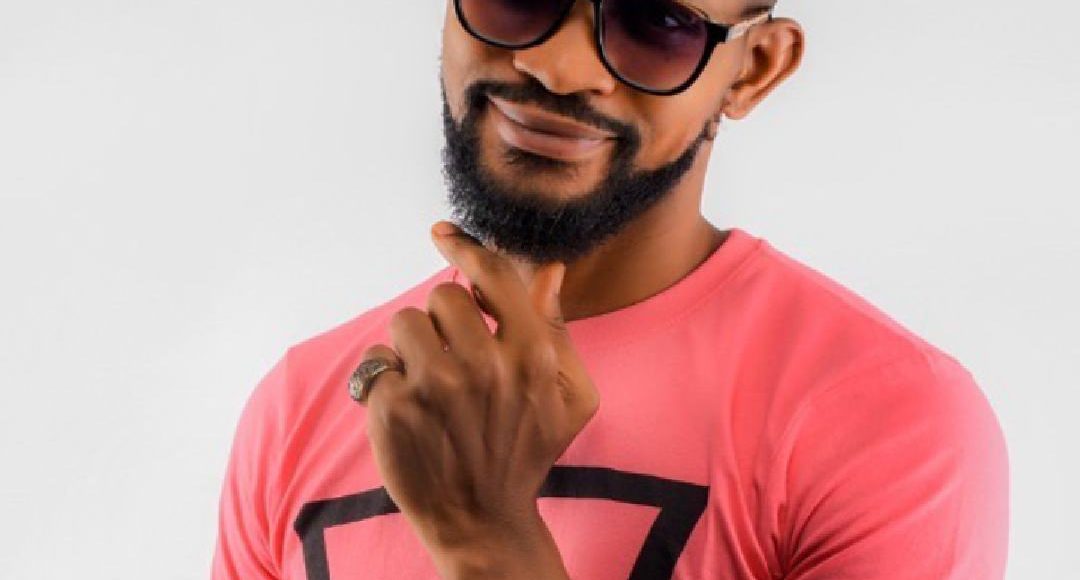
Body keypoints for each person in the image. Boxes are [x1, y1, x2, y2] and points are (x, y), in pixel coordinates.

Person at [212, 0, 1009, 578]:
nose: (559, 67)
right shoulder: (300, 403)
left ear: (754, 69)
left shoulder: (882, 416)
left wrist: (487, 542)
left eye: (657, 23)